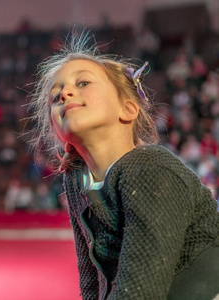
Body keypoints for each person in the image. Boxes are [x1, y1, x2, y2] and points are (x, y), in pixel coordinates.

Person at [28, 33, 219, 299]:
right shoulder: (76, 180)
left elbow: (140, 292)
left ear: (128, 109)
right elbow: (93, 279)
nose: (64, 93)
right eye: (54, 95)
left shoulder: (150, 167)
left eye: (83, 82)